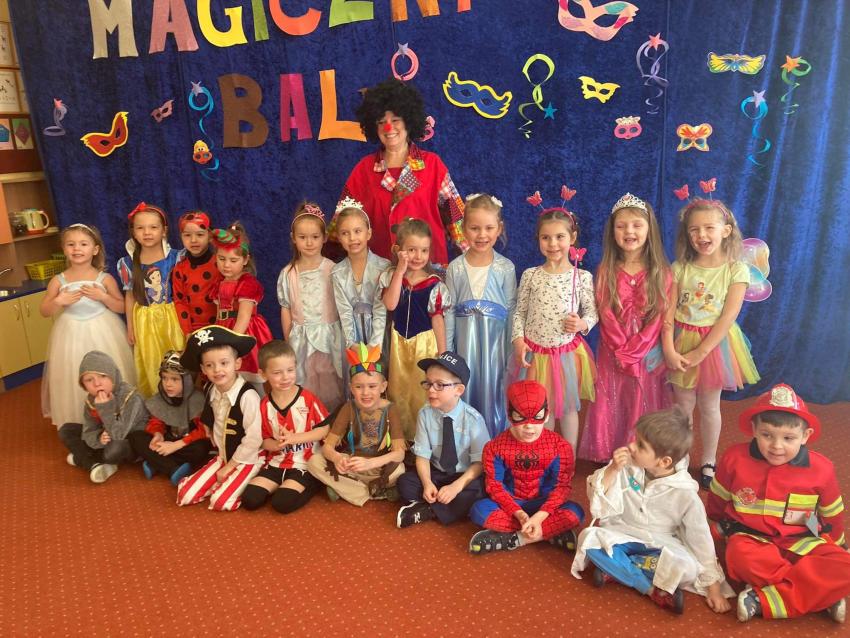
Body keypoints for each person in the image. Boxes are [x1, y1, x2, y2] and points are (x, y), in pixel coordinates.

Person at [707, 384, 850, 623]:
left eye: (788, 438)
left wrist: (838, 546)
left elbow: (831, 515)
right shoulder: (734, 458)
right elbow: (717, 500)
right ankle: (821, 594)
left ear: (805, 436)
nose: (776, 446)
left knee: (845, 564)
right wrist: (714, 528)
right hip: (751, 540)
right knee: (739, 557)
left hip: (803, 541)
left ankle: (761, 599)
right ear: (754, 430)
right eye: (767, 435)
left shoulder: (823, 469)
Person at [572, 407, 733, 615]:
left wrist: (714, 588)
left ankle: (620, 570)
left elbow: (700, 538)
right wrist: (612, 469)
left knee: (689, 569)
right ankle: (649, 588)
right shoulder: (627, 467)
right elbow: (598, 499)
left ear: (664, 461)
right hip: (622, 533)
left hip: (659, 544)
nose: (631, 446)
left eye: (640, 445)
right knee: (587, 538)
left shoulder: (686, 494)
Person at [662, 198, 759, 488]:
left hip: (715, 345)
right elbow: (668, 311)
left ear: (726, 231)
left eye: (709, 228)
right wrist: (669, 348)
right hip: (681, 340)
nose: (701, 235)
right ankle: (680, 458)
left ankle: (708, 460)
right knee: (683, 405)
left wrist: (702, 351)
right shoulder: (680, 267)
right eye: (694, 230)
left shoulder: (736, 270)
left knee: (709, 405)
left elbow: (728, 316)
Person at [329, 78, 467, 265]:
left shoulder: (433, 165)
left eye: (395, 120)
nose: (388, 127)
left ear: (408, 122)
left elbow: (457, 221)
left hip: (428, 272)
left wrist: (476, 264)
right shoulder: (363, 170)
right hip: (380, 275)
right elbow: (340, 224)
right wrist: (320, 264)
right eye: (381, 122)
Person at [579, 194, 672, 462]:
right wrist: (621, 349)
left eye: (636, 225)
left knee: (643, 396)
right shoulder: (606, 268)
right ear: (612, 232)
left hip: (647, 349)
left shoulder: (661, 271)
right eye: (621, 226)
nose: (629, 231)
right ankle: (611, 449)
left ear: (649, 230)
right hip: (613, 348)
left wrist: (636, 350)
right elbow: (605, 312)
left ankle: (644, 451)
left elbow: (659, 316)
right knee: (614, 396)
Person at [510, 206, 597, 448]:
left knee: (568, 409)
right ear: (538, 239)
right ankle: (543, 455)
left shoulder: (582, 277)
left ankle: (569, 457)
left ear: (573, 238)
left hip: (566, 355)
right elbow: (519, 312)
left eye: (560, 237)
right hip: (536, 356)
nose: (553, 244)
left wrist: (582, 323)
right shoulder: (531, 275)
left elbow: (592, 313)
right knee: (540, 408)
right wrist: (518, 340)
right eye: (545, 237)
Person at [468, 380, 584, 554]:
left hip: (545, 504)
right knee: (478, 510)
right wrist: (518, 513)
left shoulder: (560, 447)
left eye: (537, 417)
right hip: (510, 505)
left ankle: (515, 539)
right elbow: (495, 486)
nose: (529, 426)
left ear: (547, 414)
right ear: (509, 414)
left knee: (575, 512)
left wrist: (540, 516)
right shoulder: (494, 447)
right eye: (520, 417)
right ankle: (548, 532)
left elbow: (561, 488)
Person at [40, 223, 135, 428]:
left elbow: (121, 307)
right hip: (70, 333)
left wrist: (103, 297)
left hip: (103, 329)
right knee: (72, 371)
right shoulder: (58, 281)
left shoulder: (104, 278)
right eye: (71, 244)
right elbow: (45, 311)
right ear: (64, 249)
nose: (77, 248)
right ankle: (79, 419)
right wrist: (59, 301)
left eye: (83, 244)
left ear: (95, 249)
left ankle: (117, 414)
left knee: (107, 370)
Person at [445, 193, 516, 438]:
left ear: (499, 229)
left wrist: (510, 350)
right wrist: (448, 351)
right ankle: (466, 444)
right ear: (463, 229)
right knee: (466, 388)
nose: (482, 235)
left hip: (496, 348)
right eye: (474, 228)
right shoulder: (455, 268)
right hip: (465, 347)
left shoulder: (505, 267)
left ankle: (495, 440)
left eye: (488, 228)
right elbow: (449, 311)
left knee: (493, 389)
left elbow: (512, 309)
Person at [395, 352, 489, 528]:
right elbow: (422, 456)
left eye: (440, 385)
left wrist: (456, 487)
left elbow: (480, 463)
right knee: (405, 481)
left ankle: (427, 510)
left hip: (463, 476)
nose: (431, 390)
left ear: (458, 390)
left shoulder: (474, 419)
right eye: (428, 383)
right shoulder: (425, 414)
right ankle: (443, 506)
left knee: (481, 488)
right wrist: (427, 483)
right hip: (437, 472)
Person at [175, 326, 262, 511]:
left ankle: (246, 481)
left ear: (237, 363)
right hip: (223, 456)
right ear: (202, 369)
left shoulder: (248, 396)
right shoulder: (211, 389)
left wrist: (230, 467)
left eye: (224, 363)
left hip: (247, 458)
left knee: (221, 502)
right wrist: (208, 426)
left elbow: (254, 439)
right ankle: (221, 484)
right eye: (209, 365)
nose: (217, 370)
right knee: (185, 495)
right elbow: (210, 412)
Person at [306, 344, 406, 506]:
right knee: (314, 462)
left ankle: (348, 489)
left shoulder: (390, 409)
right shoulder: (348, 408)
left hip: (378, 466)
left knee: (400, 470)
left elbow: (399, 454)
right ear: (351, 388)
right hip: (352, 465)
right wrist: (337, 458)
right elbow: (327, 447)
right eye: (359, 387)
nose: (365, 393)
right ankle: (372, 491)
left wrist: (372, 463)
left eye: (372, 386)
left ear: (383, 387)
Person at [380, 218, 451, 438]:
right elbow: (390, 304)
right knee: (399, 389)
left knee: (422, 390)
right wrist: (399, 272)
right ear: (399, 250)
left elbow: (438, 320)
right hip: (398, 344)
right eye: (412, 250)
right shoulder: (393, 277)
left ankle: (424, 437)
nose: (418, 256)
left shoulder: (434, 284)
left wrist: (443, 354)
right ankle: (401, 436)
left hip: (425, 344)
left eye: (424, 250)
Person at [241, 340, 330, 514]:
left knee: (282, 503)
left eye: (290, 370)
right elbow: (263, 440)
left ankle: (315, 482)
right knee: (250, 500)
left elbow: (325, 429)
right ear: (263, 374)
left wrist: (295, 438)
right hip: (277, 463)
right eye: (277, 373)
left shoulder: (308, 399)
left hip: (304, 464)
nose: (285, 377)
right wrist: (275, 445)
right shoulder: (264, 405)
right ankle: (283, 485)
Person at [278, 202, 344, 413]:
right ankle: (309, 420)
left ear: (324, 238)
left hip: (329, 339)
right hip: (301, 341)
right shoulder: (288, 273)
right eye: (303, 237)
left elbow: (343, 306)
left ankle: (332, 421)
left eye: (315, 237)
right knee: (305, 383)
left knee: (330, 382)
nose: (309, 243)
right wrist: (288, 340)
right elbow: (286, 308)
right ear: (293, 238)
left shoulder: (333, 270)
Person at [117, 202, 185, 396]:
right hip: (144, 321)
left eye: (153, 227)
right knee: (151, 360)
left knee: (176, 355)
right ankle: (157, 400)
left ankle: (180, 398)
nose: (147, 232)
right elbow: (130, 296)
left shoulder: (177, 258)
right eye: (140, 228)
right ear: (133, 232)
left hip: (172, 318)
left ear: (164, 231)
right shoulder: (128, 264)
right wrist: (130, 327)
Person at [58, 350, 148, 483]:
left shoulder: (131, 397)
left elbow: (119, 434)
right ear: (83, 385)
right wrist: (98, 438)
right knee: (66, 430)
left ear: (113, 375)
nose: (97, 383)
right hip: (107, 436)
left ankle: (83, 459)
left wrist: (105, 407)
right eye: (89, 380)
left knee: (114, 449)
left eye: (103, 376)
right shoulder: (91, 399)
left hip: (128, 442)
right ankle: (94, 463)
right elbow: (89, 430)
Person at [128, 350, 210, 485]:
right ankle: (173, 468)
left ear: (187, 380)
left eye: (174, 379)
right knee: (135, 437)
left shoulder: (198, 400)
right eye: (165, 378)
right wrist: (158, 434)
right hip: (168, 439)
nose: (168, 384)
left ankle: (157, 463)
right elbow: (156, 421)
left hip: (187, 442)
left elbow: (203, 431)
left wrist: (176, 445)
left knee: (201, 449)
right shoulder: (161, 398)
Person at [210, 223, 273, 387]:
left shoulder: (247, 284)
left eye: (233, 260)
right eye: (221, 259)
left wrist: (232, 344)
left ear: (245, 260)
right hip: (224, 329)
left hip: (244, 333)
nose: (226, 265)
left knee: (252, 376)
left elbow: (244, 316)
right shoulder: (218, 283)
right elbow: (218, 315)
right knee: (229, 378)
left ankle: (259, 400)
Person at [331, 201, 390, 357]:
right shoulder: (337, 273)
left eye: (357, 231)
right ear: (338, 237)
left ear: (368, 233)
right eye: (345, 233)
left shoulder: (383, 267)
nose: (352, 238)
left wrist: (374, 346)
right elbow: (344, 311)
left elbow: (381, 309)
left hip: (381, 338)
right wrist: (352, 344)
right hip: (352, 340)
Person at [172, 210, 221, 335]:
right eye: (187, 235)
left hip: (221, 327)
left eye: (200, 234)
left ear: (210, 236)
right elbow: (180, 302)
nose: (193, 240)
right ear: (181, 237)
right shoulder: (180, 269)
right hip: (194, 329)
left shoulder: (220, 263)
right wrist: (187, 332)